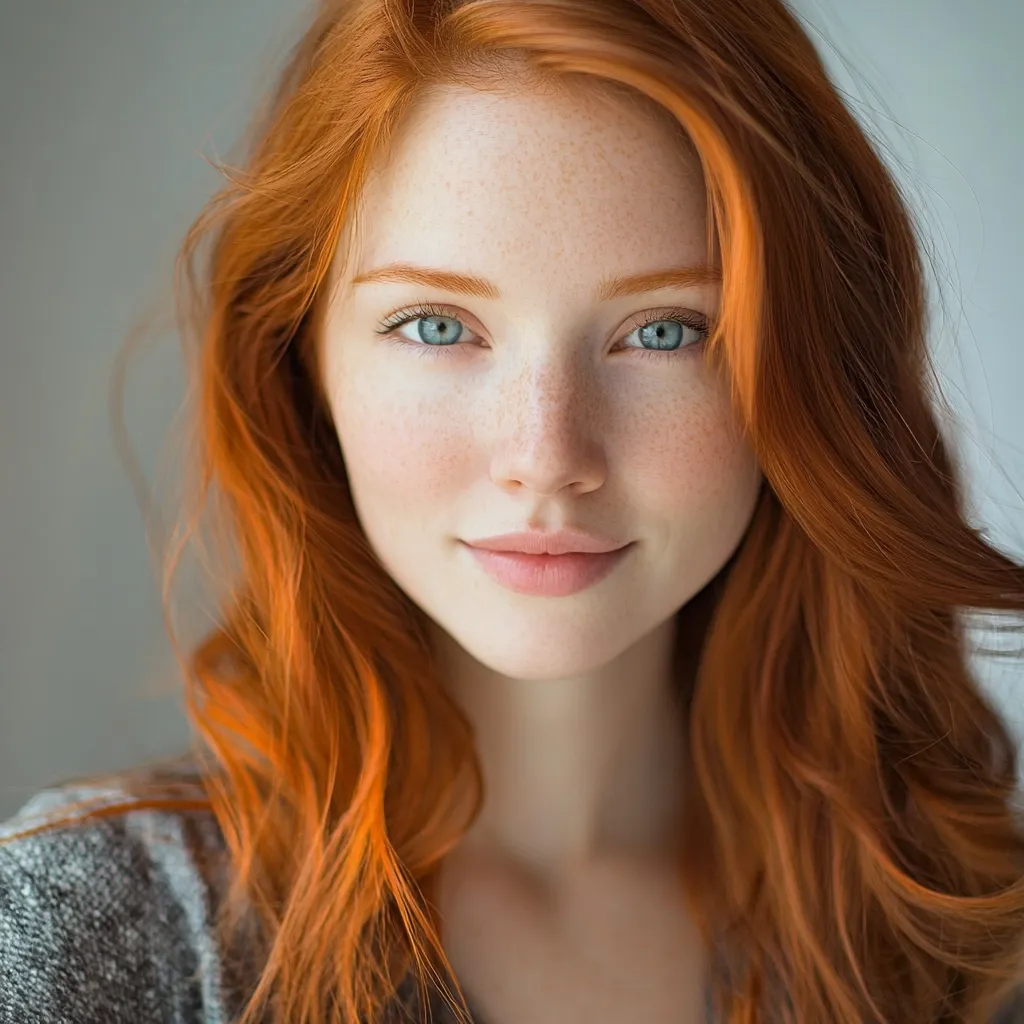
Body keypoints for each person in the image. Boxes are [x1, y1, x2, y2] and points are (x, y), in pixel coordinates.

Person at [2, 0, 1024, 1021]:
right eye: (437, 324)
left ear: (816, 374)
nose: (546, 458)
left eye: (664, 331)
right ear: (301, 363)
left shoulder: (964, 936)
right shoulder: (91, 935)